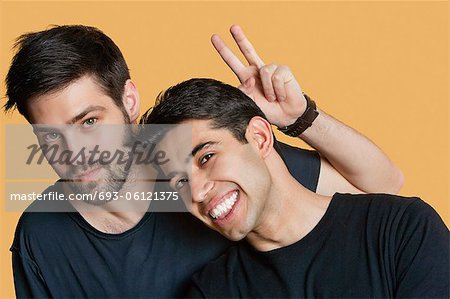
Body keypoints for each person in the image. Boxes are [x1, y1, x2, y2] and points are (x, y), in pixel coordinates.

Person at [4, 25, 402, 297]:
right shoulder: (41, 236)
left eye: (90, 121)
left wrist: (299, 118)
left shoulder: (204, 166)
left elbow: (382, 186)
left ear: (128, 99)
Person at [143, 77, 449, 298]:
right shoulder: (212, 291)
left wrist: (300, 116)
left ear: (260, 138)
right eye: (180, 182)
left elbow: (387, 178)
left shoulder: (401, 229)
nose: (196, 193)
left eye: (207, 157)